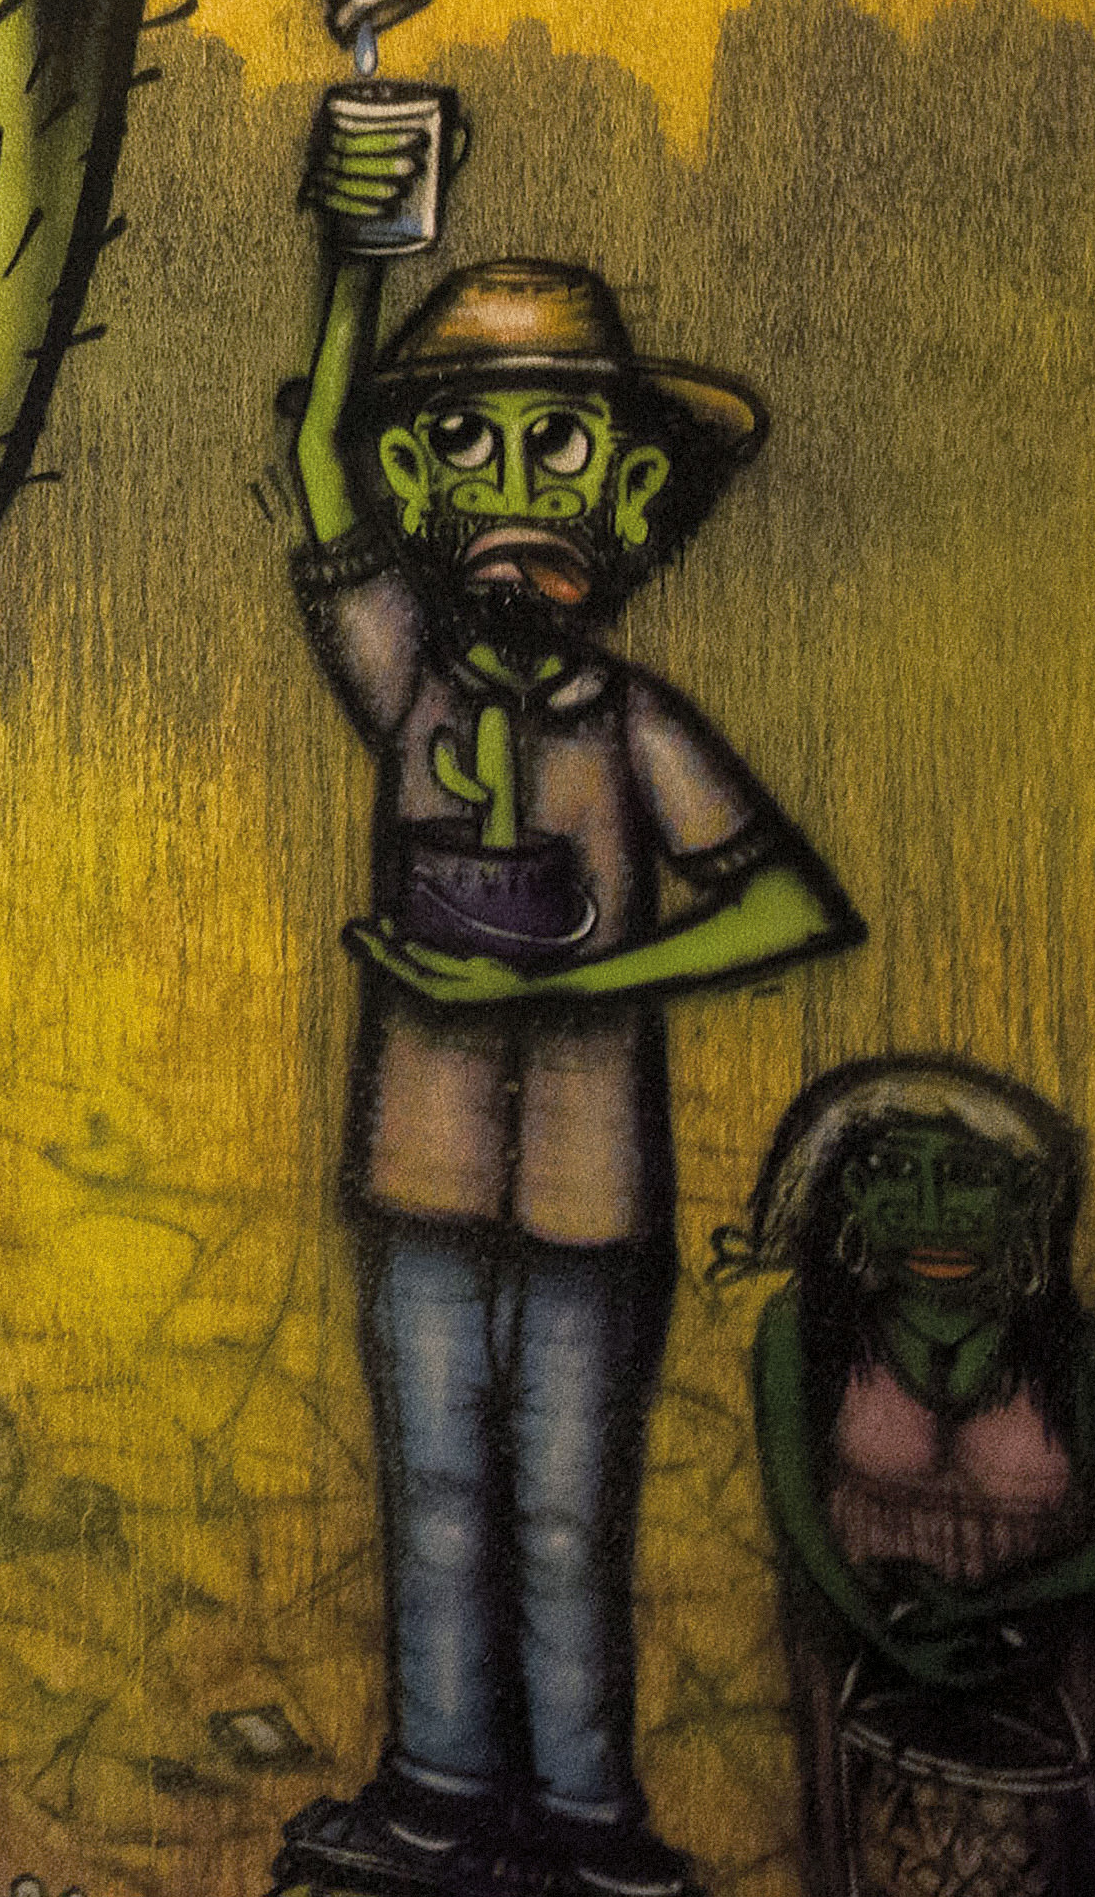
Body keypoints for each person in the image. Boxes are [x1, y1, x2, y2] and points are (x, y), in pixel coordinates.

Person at [272, 107, 861, 1897]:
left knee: (560, 1511)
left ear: (627, 497)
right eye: (463, 442)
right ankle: (442, 1784)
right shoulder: (408, 682)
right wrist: (349, 267)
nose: (509, 486)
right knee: (438, 1498)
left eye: (558, 444)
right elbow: (312, 465)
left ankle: (588, 1814)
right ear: (417, 485)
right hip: (419, 1171)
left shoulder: (635, 724)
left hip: (595, 1191)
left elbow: (788, 897)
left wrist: (579, 975)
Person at [720, 1057, 1095, 1897]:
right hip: (860, 1664)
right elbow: (797, 1519)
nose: (930, 1209)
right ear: (847, 1191)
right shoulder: (801, 1332)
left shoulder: (1091, 1361)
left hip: (1044, 1683)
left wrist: (982, 1609)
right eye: (893, 1169)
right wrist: (887, 1634)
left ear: (1026, 1198)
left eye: (968, 1175)